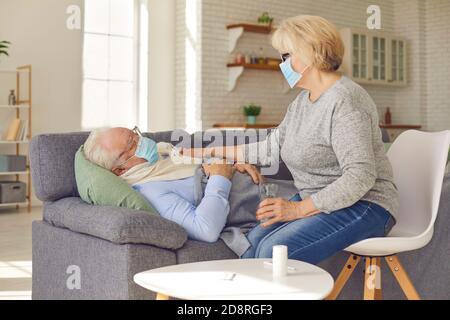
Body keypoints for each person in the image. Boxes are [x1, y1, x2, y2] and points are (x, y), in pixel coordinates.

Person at [182, 15, 399, 264]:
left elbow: (360, 177)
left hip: (367, 205)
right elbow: (270, 148)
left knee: (273, 252)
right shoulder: (301, 103)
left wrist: (297, 209)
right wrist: (207, 152)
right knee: (250, 245)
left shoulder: (345, 101)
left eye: (286, 56)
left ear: (310, 53)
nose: (282, 63)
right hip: (319, 199)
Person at [82, 126, 262, 245]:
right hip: (261, 207)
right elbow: (205, 229)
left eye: (134, 134)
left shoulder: (165, 155)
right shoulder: (151, 191)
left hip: (261, 187)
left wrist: (229, 164)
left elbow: (208, 163)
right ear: (120, 171)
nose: (140, 141)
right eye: (131, 145)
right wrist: (220, 177)